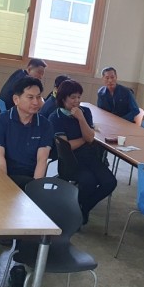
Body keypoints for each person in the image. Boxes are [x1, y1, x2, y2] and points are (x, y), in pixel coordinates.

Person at [0, 76, 55, 287]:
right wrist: (6, 186)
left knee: (35, 209)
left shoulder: (45, 124)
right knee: (16, 203)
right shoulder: (0, 120)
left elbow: (42, 160)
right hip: (3, 176)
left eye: (39, 97)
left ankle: (19, 264)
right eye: (30, 97)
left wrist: (36, 189)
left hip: (30, 178)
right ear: (16, 99)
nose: (36, 102)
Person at [48, 80, 118, 225]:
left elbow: (90, 138)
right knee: (89, 181)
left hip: (89, 157)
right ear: (63, 98)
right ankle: (78, 212)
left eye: (79, 97)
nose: (77, 101)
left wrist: (81, 119)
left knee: (110, 182)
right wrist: (85, 139)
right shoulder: (56, 117)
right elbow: (67, 147)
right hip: (70, 161)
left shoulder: (85, 112)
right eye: (73, 97)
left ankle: (82, 208)